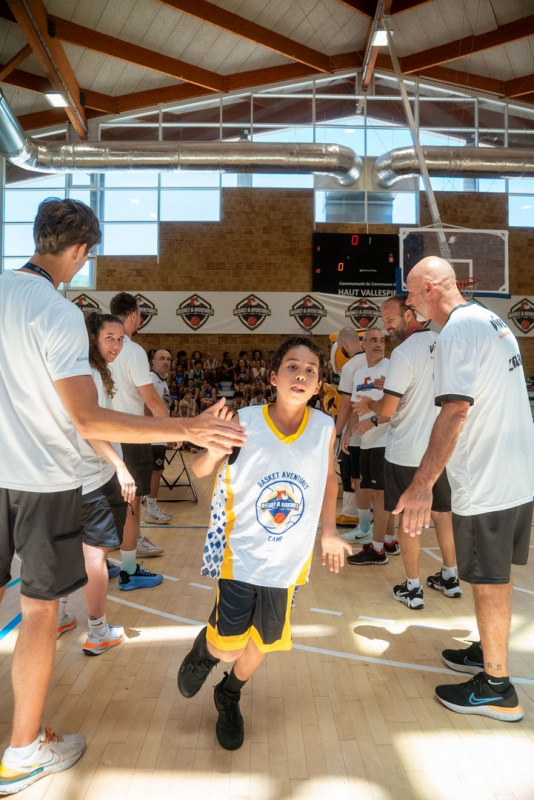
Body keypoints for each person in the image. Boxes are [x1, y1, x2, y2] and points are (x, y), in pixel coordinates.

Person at [0, 198, 247, 794]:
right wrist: (188, 427)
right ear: (81, 250)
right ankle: (23, 751)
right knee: (39, 611)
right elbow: (87, 418)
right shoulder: (56, 312)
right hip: (42, 480)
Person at [177, 335, 351, 750]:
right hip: (241, 553)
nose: (301, 375)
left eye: (310, 370)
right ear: (273, 377)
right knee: (228, 649)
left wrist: (329, 530)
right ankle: (205, 651)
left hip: (289, 560)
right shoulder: (244, 421)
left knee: (265, 642)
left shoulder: (324, 428)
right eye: (292, 366)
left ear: (318, 385)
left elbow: (329, 478)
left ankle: (228, 694)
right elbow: (200, 469)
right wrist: (212, 447)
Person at [395, 256, 533, 722]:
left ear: (430, 288)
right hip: (516, 472)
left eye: (411, 291)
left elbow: (455, 411)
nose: (409, 301)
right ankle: (486, 651)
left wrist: (422, 484)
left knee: (489, 580)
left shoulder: (455, 332)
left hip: (487, 477)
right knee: (496, 574)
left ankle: (496, 687)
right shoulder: (490, 320)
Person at [353, 296, 460, 608]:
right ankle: (450, 577)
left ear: (410, 314)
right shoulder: (446, 343)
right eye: (384, 320)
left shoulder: (403, 352)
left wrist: (369, 404)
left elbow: (388, 409)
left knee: (409, 518)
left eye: (391, 319)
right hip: (441, 449)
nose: (387, 326)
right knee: (442, 513)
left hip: (407, 451)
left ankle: (412, 589)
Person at [58, 312, 134, 653]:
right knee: (94, 556)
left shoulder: (74, 370)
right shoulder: (90, 374)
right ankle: (99, 632)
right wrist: (120, 466)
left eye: (120, 339)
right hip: (94, 480)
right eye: (109, 338)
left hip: (65, 480)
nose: (116, 345)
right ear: (92, 338)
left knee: (67, 552)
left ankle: (59, 616)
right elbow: (90, 430)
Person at [108, 293, 167, 577]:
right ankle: (130, 571)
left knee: (102, 501)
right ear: (133, 316)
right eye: (140, 314)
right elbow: (152, 400)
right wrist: (171, 429)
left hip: (100, 434)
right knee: (131, 502)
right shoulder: (133, 350)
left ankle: (101, 561)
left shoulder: (97, 348)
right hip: (130, 434)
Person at [342, 328, 398, 565]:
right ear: (363, 344)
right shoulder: (360, 374)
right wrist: (348, 433)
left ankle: (377, 550)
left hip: (386, 440)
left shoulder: (391, 369)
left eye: (382, 340)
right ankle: (389, 541)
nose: (378, 344)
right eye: (373, 340)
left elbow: (397, 407)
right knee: (379, 493)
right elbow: (356, 408)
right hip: (366, 442)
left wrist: (373, 420)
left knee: (380, 495)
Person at [334, 328, 370, 536]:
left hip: (357, 433)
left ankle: (363, 526)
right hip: (380, 430)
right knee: (376, 483)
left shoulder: (350, 366)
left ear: (343, 346)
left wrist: (337, 433)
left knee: (358, 479)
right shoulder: (380, 362)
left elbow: (347, 404)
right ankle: (381, 532)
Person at [145, 349, 174, 526]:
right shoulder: (151, 379)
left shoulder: (162, 382)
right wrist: (154, 429)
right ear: (153, 362)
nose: (166, 362)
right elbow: (146, 406)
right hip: (153, 435)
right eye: (161, 358)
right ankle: (150, 510)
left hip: (160, 434)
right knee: (155, 472)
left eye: (168, 359)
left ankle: (152, 506)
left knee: (157, 471)